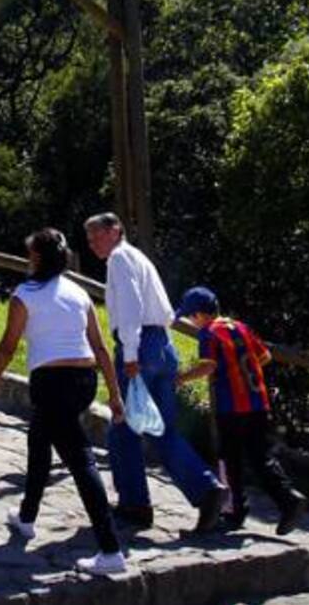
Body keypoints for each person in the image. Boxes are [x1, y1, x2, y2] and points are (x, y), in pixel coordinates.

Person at [0, 228, 128, 577]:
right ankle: (27, 517)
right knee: (39, 440)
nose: (28, 260)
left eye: (31, 254)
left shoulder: (24, 295)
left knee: (80, 459)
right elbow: (101, 347)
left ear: (39, 258)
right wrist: (115, 395)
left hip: (51, 381)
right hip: (84, 379)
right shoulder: (78, 293)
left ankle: (110, 549)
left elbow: (8, 346)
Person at [83, 212, 226, 533]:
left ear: (114, 230)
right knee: (162, 429)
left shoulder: (119, 259)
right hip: (163, 345)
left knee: (122, 427)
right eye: (89, 239)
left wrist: (130, 353)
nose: (92, 244)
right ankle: (206, 489)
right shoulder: (137, 257)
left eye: (96, 236)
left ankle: (135, 505)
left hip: (141, 347)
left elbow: (132, 305)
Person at [174, 286, 307, 534]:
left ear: (200, 314)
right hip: (257, 403)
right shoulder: (241, 327)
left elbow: (208, 366)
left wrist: (181, 378)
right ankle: (289, 498)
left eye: (192, 315)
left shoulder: (209, 333)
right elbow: (264, 356)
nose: (192, 320)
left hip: (231, 406)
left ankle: (235, 510)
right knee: (260, 457)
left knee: (229, 458)